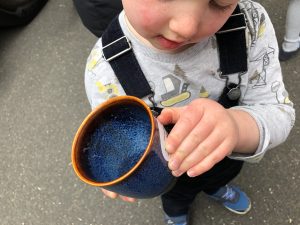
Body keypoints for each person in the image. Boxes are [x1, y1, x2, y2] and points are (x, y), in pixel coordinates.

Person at [84, 0, 295, 224]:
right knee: (176, 199)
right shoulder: (104, 72)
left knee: (218, 178)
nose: (187, 27)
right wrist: (116, 168)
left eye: (220, 3)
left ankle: (216, 189)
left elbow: (279, 112)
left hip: (226, 159)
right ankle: (176, 215)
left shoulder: (250, 26)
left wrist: (236, 127)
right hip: (169, 175)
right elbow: (112, 137)